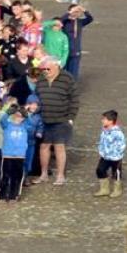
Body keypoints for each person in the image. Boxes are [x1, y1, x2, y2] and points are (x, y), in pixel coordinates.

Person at [33, 57, 78, 186]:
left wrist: (71, 117)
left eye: (49, 69)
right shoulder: (41, 79)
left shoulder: (67, 78)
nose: (46, 71)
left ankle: (60, 175)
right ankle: (44, 174)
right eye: (44, 69)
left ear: (57, 67)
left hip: (61, 119)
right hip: (44, 118)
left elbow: (74, 99)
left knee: (59, 146)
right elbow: (36, 95)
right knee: (44, 146)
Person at [94, 109, 127, 199]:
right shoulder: (104, 131)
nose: (102, 121)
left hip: (115, 157)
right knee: (100, 170)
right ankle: (104, 188)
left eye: (104, 119)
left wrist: (117, 154)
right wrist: (101, 150)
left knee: (116, 173)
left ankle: (117, 189)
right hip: (105, 156)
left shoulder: (117, 133)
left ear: (111, 121)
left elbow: (122, 144)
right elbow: (101, 142)